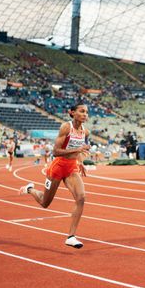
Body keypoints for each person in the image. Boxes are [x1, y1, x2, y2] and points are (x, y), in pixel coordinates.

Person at [19, 103, 90, 249]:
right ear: (72, 113)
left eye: (86, 112)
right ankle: (30, 189)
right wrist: (78, 149)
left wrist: (81, 162)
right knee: (45, 203)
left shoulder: (85, 132)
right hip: (57, 167)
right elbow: (56, 151)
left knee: (81, 198)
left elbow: (80, 152)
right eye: (82, 111)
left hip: (71, 168)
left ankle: (71, 236)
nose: (85, 114)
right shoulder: (66, 127)